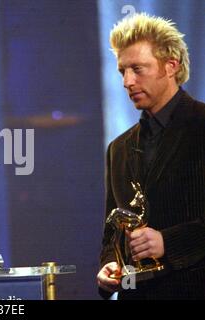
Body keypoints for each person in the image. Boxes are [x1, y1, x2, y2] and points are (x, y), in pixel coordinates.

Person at [97, 13, 205, 299]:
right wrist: (110, 264)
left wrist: (168, 242)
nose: (127, 81)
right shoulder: (118, 149)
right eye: (122, 71)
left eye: (137, 69)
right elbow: (114, 227)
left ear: (171, 66)